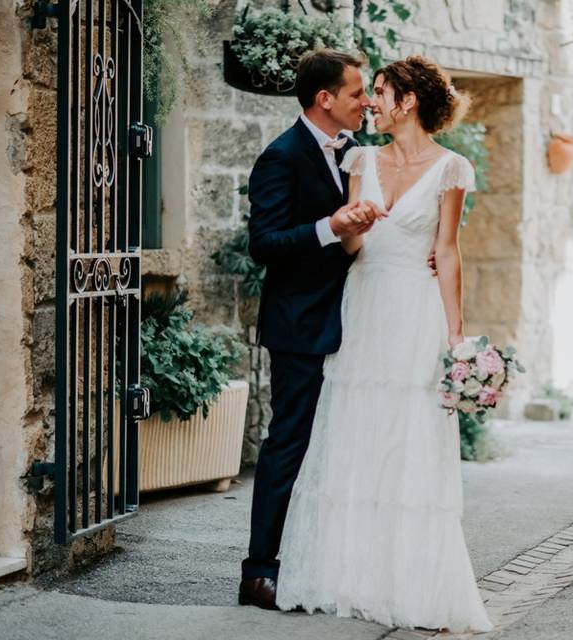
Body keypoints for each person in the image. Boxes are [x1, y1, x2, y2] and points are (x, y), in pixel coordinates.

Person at [275, 56, 493, 633]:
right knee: (355, 429)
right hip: (364, 304)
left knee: (410, 435)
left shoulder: (452, 169)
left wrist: (456, 335)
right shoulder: (360, 159)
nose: (371, 101)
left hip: (415, 310)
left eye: (380, 91)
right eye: (366, 91)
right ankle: (348, 576)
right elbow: (348, 247)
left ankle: (410, 580)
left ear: (409, 100)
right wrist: (355, 229)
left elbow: (446, 251)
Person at [239, 49, 388, 610]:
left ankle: (325, 562)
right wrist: (329, 227)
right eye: (357, 94)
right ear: (325, 99)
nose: (367, 102)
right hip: (300, 325)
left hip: (358, 319)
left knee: (344, 442)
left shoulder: (359, 154)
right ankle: (259, 572)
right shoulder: (279, 157)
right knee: (290, 444)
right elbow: (264, 244)